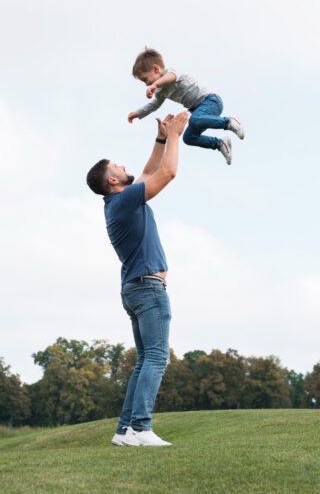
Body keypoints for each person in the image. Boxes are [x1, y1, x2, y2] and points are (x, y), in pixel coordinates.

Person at [86, 111, 188, 446]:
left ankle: (123, 431)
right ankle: (141, 429)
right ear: (112, 180)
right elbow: (167, 173)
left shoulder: (117, 202)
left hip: (134, 288)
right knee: (157, 358)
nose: (122, 165)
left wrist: (160, 138)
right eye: (116, 166)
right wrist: (175, 134)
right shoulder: (125, 200)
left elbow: (146, 173)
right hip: (147, 288)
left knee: (145, 360)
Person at [128, 48, 245, 165]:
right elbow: (154, 104)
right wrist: (138, 113)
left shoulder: (171, 72)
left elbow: (171, 77)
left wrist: (155, 84)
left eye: (145, 79)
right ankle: (220, 144)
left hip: (211, 101)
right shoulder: (160, 91)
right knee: (188, 138)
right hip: (199, 112)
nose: (146, 83)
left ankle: (230, 121)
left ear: (156, 69)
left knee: (194, 119)